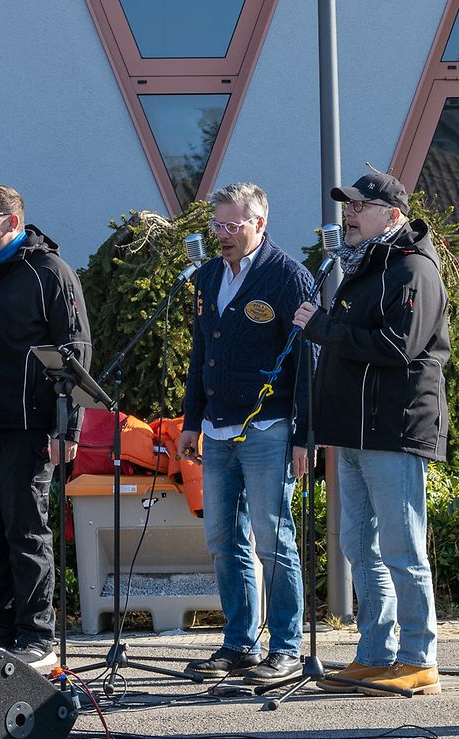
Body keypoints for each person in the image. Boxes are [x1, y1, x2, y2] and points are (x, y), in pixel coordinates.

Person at [292, 171, 449, 697]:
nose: (349, 213)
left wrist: (322, 327)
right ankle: (376, 653)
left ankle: (419, 658)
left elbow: (397, 346)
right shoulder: (363, 267)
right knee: (359, 545)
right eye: (348, 205)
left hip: (393, 429)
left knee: (402, 548)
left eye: (360, 206)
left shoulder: (412, 269)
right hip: (353, 431)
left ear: (393, 215)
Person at [0, 184, 92, 671]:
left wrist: (67, 429)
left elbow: (75, 352)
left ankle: (37, 635)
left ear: (11, 222)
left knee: (25, 533)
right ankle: (1, 631)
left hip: (28, 429)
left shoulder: (48, 271)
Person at [178, 183, 314, 685]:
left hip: (269, 428)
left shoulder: (289, 277)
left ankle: (286, 647)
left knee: (273, 540)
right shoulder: (208, 275)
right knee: (222, 538)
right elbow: (201, 354)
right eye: (217, 224)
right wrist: (191, 421)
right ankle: (239, 644)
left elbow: (308, 360)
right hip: (217, 429)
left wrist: (305, 435)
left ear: (260, 223)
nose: (223, 234)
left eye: (233, 225)